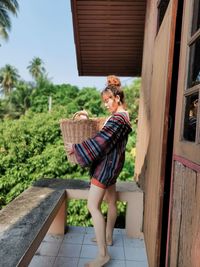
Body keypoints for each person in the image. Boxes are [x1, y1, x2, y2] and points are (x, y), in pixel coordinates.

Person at [66, 82, 132, 267]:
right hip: (113, 166)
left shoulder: (119, 119)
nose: (105, 104)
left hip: (106, 167)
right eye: (104, 101)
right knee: (111, 201)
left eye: (107, 100)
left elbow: (101, 142)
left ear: (117, 98)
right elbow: (105, 138)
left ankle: (103, 254)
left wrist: (76, 147)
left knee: (92, 206)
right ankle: (108, 237)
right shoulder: (122, 117)